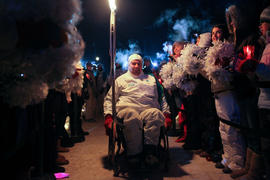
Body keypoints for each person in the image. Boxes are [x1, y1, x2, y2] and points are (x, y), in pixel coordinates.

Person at [103, 54, 172, 168]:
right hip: (126, 109)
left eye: (138, 64)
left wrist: (166, 114)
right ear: (129, 64)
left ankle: (150, 153)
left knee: (155, 114)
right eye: (133, 63)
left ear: (142, 65)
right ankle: (134, 154)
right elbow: (109, 99)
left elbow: (162, 99)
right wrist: (108, 117)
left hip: (148, 109)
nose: (136, 66)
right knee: (132, 116)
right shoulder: (120, 80)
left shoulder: (151, 79)